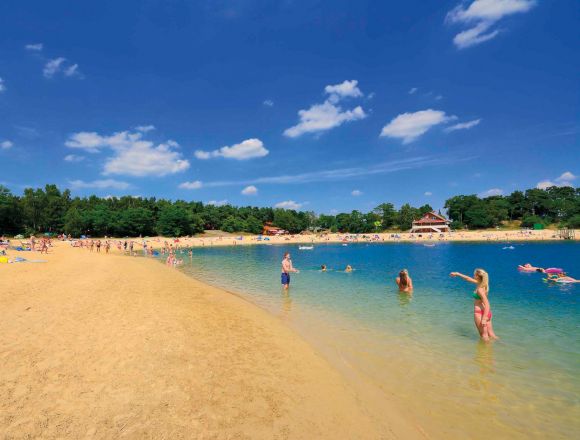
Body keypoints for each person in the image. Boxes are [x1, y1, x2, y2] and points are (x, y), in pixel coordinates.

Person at [450, 269, 498, 342]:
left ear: (478, 276)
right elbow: (468, 279)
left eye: (474, 274)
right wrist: (457, 274)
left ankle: (484, 353)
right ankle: (503, 346)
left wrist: (484, 319)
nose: (473, 276)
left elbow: (487, 304)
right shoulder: (483, 284)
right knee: (491, 335)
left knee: (484, 336)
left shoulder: (480, 289)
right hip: (487, 312)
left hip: (480, 313)